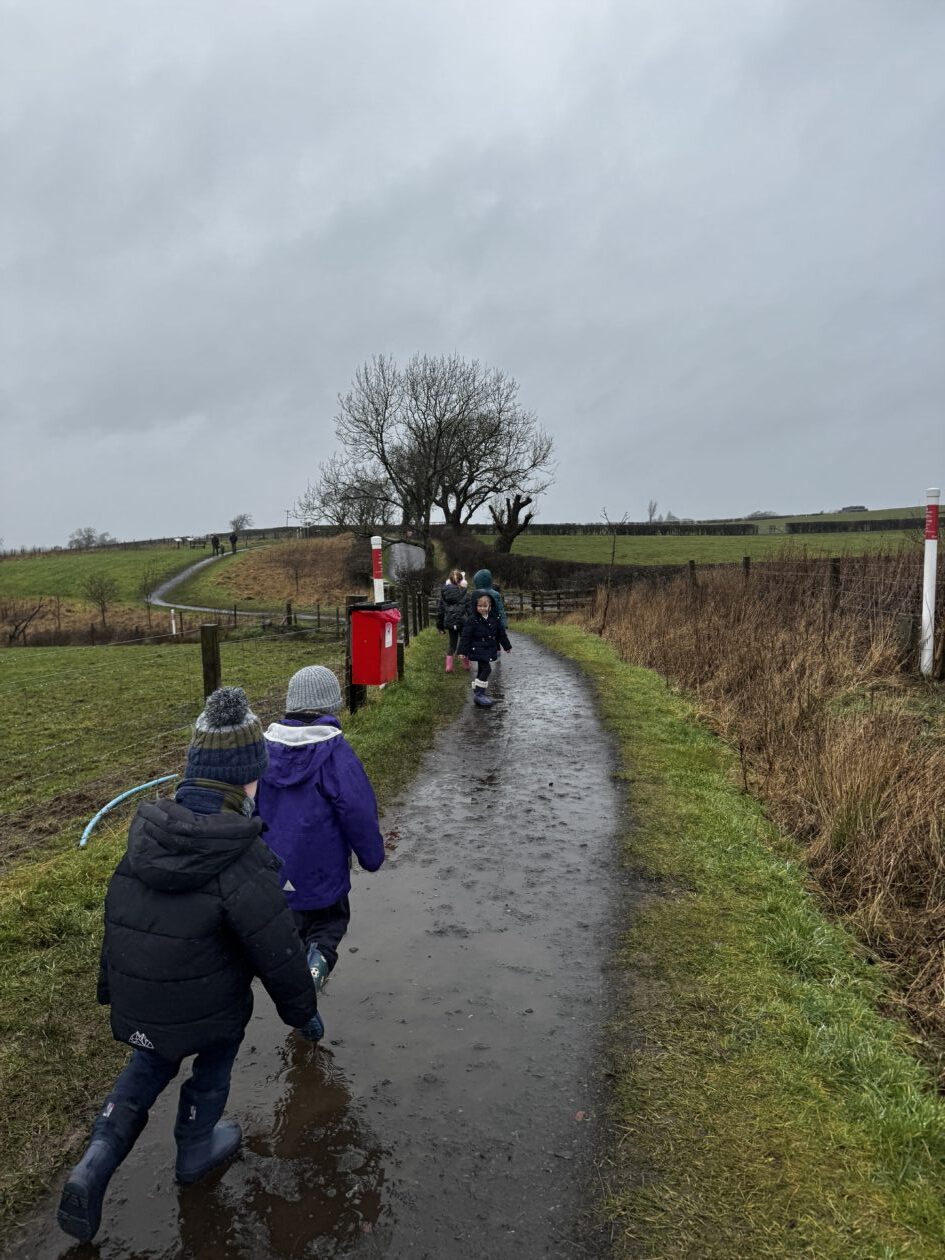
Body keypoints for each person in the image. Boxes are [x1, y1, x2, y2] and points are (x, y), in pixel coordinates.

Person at [57, 688, 323, 1245]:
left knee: (145, 1067)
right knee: (216, 1056)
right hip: (209, 1007)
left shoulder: (145, 837)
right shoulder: (242, 855)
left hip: (141, 997)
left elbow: (120, 916)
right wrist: (304, 1014)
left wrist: (114, 989)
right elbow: (277, 951)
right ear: (247, 781)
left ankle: (95, 1160)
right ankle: (195, 1148)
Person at [256, 665, 385, 992]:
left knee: (292, 930)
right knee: (329, 925)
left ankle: (294, 983)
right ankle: (315, 970)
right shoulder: (335, 755)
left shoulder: (262, 753)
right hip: (322, 873)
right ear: (332, 706)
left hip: (274, 873)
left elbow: (250, 807)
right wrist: (371, 856)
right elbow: (357, 809)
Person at [458, 591, 512, 707]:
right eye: (479, 606)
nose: (482, 608)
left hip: (489, 649)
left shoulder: (494, 619)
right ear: (476, 606)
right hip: (477, 649)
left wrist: (506, 646)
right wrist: (462, 651)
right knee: (487, 669)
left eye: (484, 606)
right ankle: (479, 694)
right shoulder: (472, 620)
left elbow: (501, 634)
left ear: (490, 606)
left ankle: (478, 693)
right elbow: (465, 636)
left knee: (482, 670)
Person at [436, 568, 469, 672]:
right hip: (462, 621)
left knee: (452, 644)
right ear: (461, 580)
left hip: (450, 622)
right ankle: (466, 665)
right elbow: (469, 609)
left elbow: (440, 611)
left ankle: (449, 667)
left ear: (449, 580)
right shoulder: (464, 593)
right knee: (464, 642)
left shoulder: (444, 593)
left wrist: (440, 627)